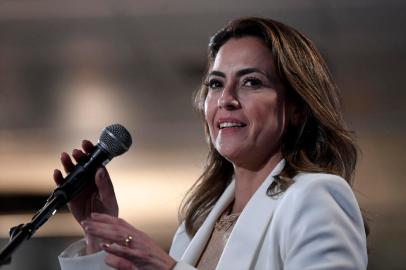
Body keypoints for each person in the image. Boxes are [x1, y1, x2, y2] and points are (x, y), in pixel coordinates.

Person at [56, 17, 368, 270]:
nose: (226, 99)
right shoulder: (196, 225)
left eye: (252, 82)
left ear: (298, 107)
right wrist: (98, 231)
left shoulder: (314, 197)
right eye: (216, 84)